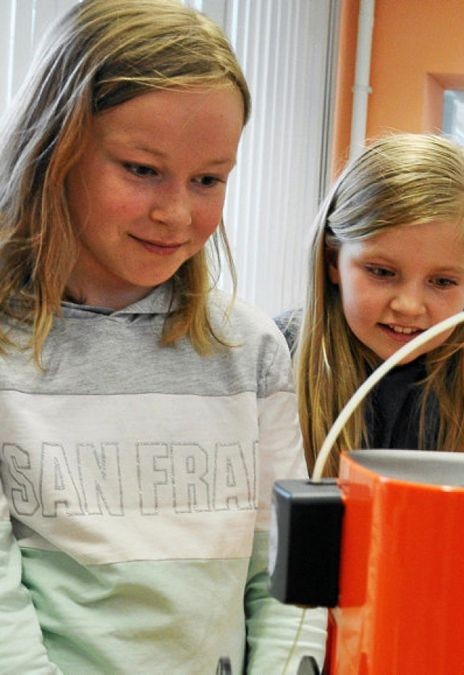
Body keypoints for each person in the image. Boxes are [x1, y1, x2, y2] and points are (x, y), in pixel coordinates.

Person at [0, 1, 325, 672]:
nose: (176, 212)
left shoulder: (250, 348)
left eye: (208, 179)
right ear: (55, 148)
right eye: (142, 169)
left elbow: (285, 582)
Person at [279, 133, 464, 478]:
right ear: (333, 259)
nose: (409, 307)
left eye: (442, 282)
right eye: (381, 272)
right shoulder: (278, 352)